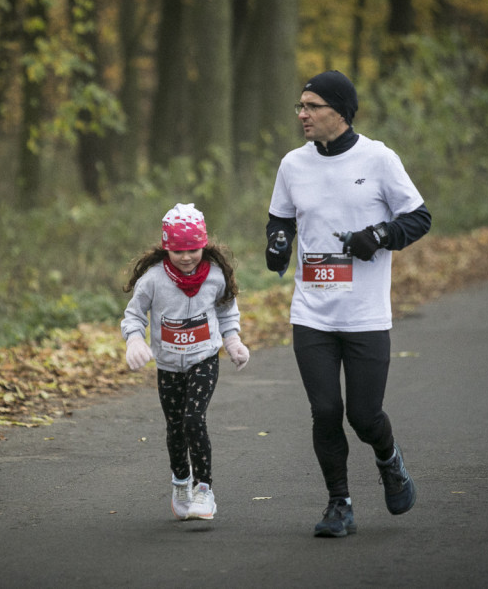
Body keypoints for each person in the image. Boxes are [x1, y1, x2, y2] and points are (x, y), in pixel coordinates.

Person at [265, 70, 431, 538]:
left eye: (311, 107)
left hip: (364, 313)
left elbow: (419, 218)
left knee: (363, 415)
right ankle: (340, 503)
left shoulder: (378, 159)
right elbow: (279, 220)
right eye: (299, 106)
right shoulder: (292, 165)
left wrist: (379, 236)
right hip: (311, 312)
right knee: (324, 410)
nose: (302, 115)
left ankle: (389, 459)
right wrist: (277, 243)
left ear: (339, 110)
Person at [121, 202, 250, 521]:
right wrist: (135, 339)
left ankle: (204, 489)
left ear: (203, 245)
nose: (187, 257)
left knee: (194, 419)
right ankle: (181, 483)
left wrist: (232, 340)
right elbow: (134, 314)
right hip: (167, 365)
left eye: (193, 249)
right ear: (167, 249)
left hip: (204, 358)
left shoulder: (216, 276)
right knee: (175, 427)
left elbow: (226, 310)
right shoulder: (152, 280)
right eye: (178, 250)